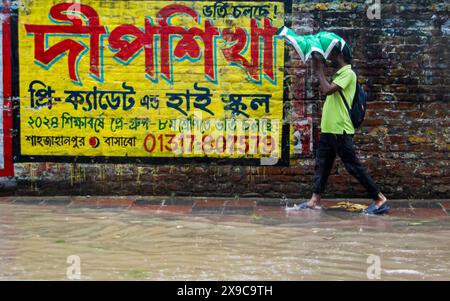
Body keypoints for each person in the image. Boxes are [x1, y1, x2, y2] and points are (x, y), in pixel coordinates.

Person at [296, 44, 389, 214]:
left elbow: (328, 90)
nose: (329, 57)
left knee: (353, 166)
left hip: (340, 129)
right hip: (329, 128)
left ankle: (379, 199)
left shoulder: (348, 74)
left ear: (340, 55)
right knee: (322, 165)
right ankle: (314, 200)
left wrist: (319, 71)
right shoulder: (340, 74)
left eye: (331, 54)